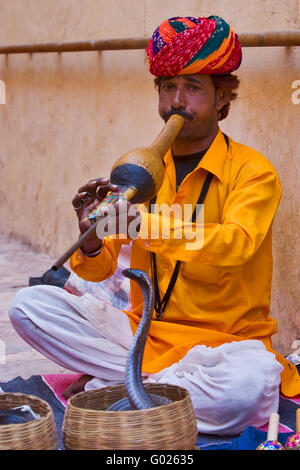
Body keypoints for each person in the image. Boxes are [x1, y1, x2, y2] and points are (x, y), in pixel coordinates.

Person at [9, 15, 300, 436]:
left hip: (224, 345)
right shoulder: (140, 172)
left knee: (249, 387)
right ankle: (154, 394)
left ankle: (123, 389)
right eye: (168, 87)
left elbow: (237, 244)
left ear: (222, 98)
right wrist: (90, 239)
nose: (176, 102)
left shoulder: (253, 172)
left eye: (193, 88)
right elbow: (102, 268)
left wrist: (143, 223)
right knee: (29, 308)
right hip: (142, 334)